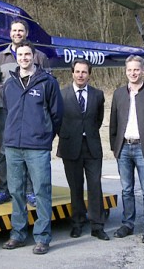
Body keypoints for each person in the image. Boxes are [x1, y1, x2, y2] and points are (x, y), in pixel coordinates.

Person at [0, 42, 63, 255]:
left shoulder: (47, 82)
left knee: (41, 191)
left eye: (28, 54)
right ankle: (17, 234)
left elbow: (57, 115)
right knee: (16, 191)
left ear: (34, 56)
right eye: (21, 54)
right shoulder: (9, 84)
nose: (24, 58)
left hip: (37, 147)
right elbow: (8, 111)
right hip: (13, 147)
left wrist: (45, 136)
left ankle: (42, 237)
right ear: (16, 57)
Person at [0, 19, 51, 206]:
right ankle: (4, 189)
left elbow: (49, 85)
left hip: (32, 110)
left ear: (26, 33)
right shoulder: (0, 57)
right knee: (4, 150)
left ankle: (30, 191)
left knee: (30, 150)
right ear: (10, 33)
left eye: (21, 30)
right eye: (14, 30)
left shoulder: (39, 57)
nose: (17, 33)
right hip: (6, 110)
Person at [109, 55, 144, 243]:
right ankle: (127, 224)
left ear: (143, 71)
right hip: (123, 148)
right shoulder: (118, 94)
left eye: (136, 69)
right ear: (126, 71)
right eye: (130, 70)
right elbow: (113, 122)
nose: (133, 73)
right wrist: (115, 148)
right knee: (126, 190)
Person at [57, 58, 109, 240]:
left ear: (89, 74)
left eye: (84, 72)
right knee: (75, 187)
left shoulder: (98, 94)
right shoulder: (61, 95)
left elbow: (98, 119)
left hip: (92, 147)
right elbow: (57, 120)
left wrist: (87, 132)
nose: (80, 75)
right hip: (70, 146)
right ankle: (77, 223)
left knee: (95, 186)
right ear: (72, 73)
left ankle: (97, 225)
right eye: (77, 71)